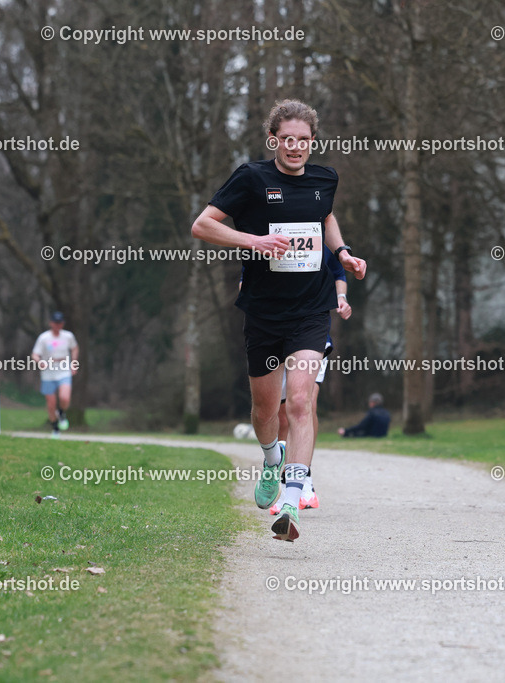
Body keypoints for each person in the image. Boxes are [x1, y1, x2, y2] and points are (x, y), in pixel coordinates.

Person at [192, 98, 366, 542]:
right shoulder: (251, 178)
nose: (295, 147)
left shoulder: (325, 179)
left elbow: (325, 215)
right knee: (266, 409)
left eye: (303, 140)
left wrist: (342, 253)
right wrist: (253, 241)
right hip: (263, 312)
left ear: (312, 142)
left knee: (302, 402)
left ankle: (292, 495)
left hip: (311, 309)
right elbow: (203, 225)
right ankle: (272, 457)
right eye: (287, 139)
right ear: (274, 140)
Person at [268, 249, 352, 514]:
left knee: (305, 404)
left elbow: (338, 271)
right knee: (282, 413)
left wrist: (341, 298)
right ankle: (280, 476)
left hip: (312, 334)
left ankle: (304, 481)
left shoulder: (316, 237)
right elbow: (247, 278)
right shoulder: (269, 234)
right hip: (274, 333)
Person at [31, 311, 79, 438]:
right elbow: (35, 354)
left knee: (65, 397)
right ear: (51, 323)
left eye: (60, 323)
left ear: (62, 324)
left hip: (64, 370)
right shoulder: (44, 338)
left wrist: (74, 363)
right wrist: (40, 362)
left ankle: (62, 413)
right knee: (51, 403)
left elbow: (75, 348)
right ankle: (55, 428)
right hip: (48, 373)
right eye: (55, 323)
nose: (58, 325)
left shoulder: (68, 336)